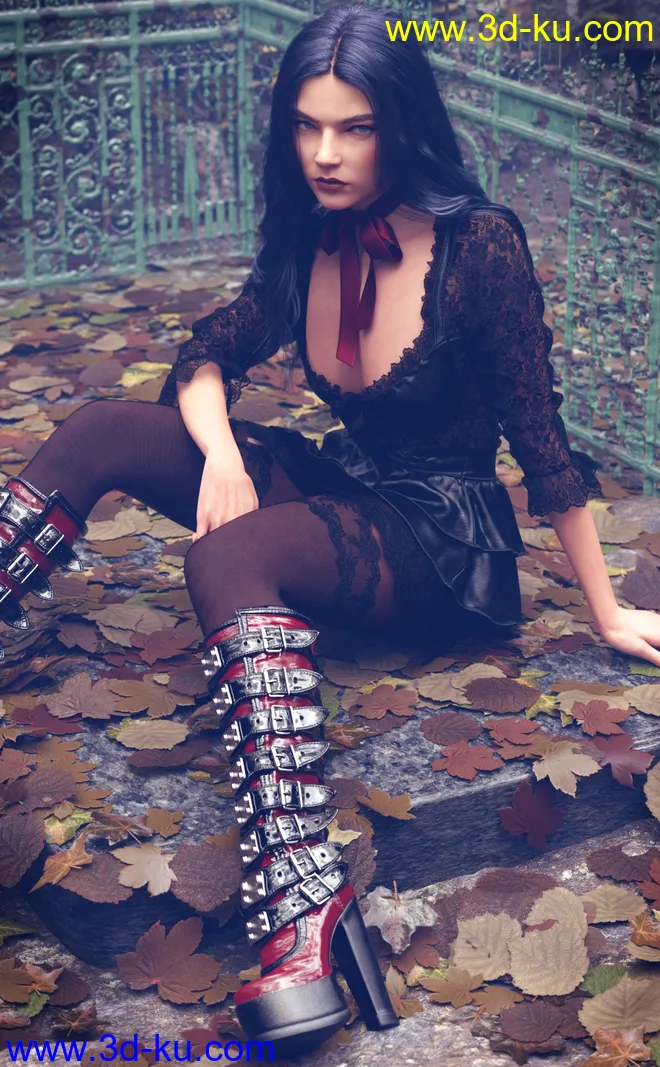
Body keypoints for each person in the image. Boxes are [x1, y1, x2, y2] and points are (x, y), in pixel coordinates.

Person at [2, 1, 660, 1055]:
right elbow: (207, 352)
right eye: (308, 126)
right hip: (349, 486)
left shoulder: (479, 246)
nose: (326, 152)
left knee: (229, 551)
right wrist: (222, 454)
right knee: (99, 430)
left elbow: (543, 441)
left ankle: (303, 902)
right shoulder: (309, 229)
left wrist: (608, 610)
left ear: (401, 126)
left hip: (442, 541)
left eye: (355, 128)